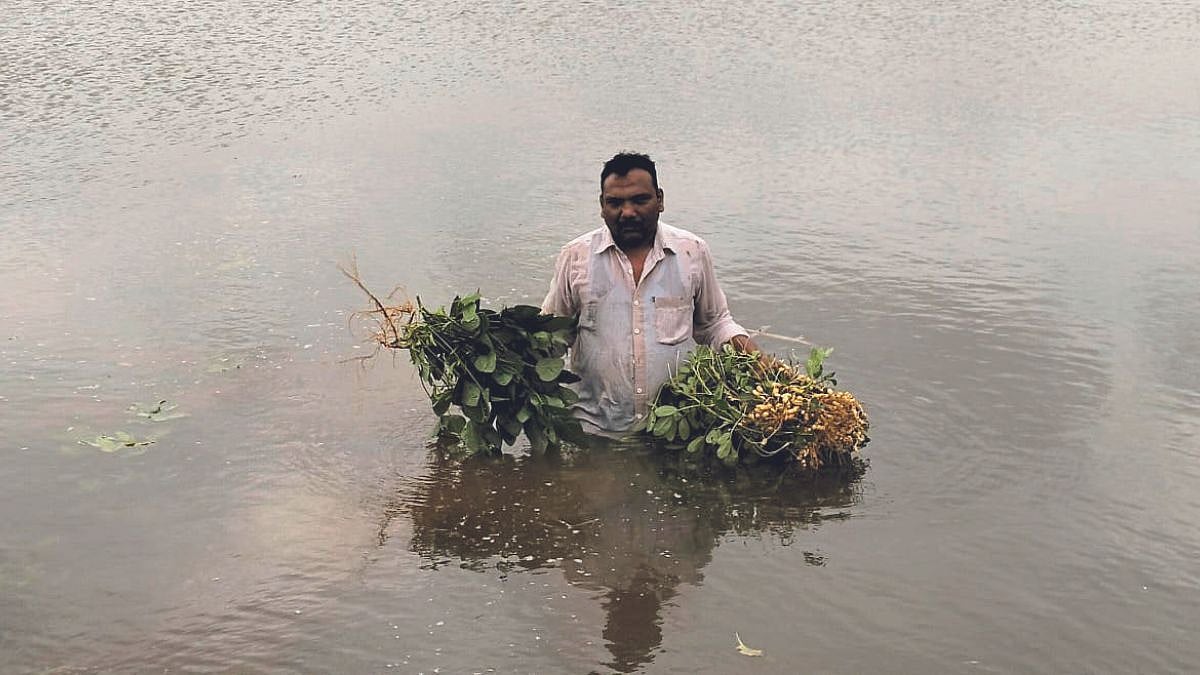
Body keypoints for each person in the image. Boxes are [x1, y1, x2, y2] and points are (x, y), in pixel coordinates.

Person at [542, 152, 760, 437]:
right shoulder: (576, 257)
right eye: (615, 203)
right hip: (593, 431)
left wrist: (756, 361)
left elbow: (715, 323)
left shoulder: (691, 252)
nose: (628, 212)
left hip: (673, 430)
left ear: (660, 200)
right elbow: (551, 335)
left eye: (639, 200)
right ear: (602, 206)